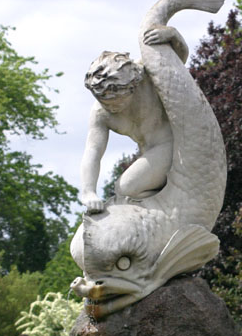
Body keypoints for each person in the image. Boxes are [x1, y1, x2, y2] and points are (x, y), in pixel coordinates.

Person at [78, 28, 187, 214]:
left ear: (132, 86)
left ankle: (170, 210)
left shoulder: (144, 74)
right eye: (105, 101)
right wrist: (88, 192)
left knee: (126, 188)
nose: (112, 107)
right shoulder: (101, 113)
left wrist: (173, 36)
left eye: (117, 100)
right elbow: (93, 151)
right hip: (149, 152)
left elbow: (178, 61)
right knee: (124, 195)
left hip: (175, 144)